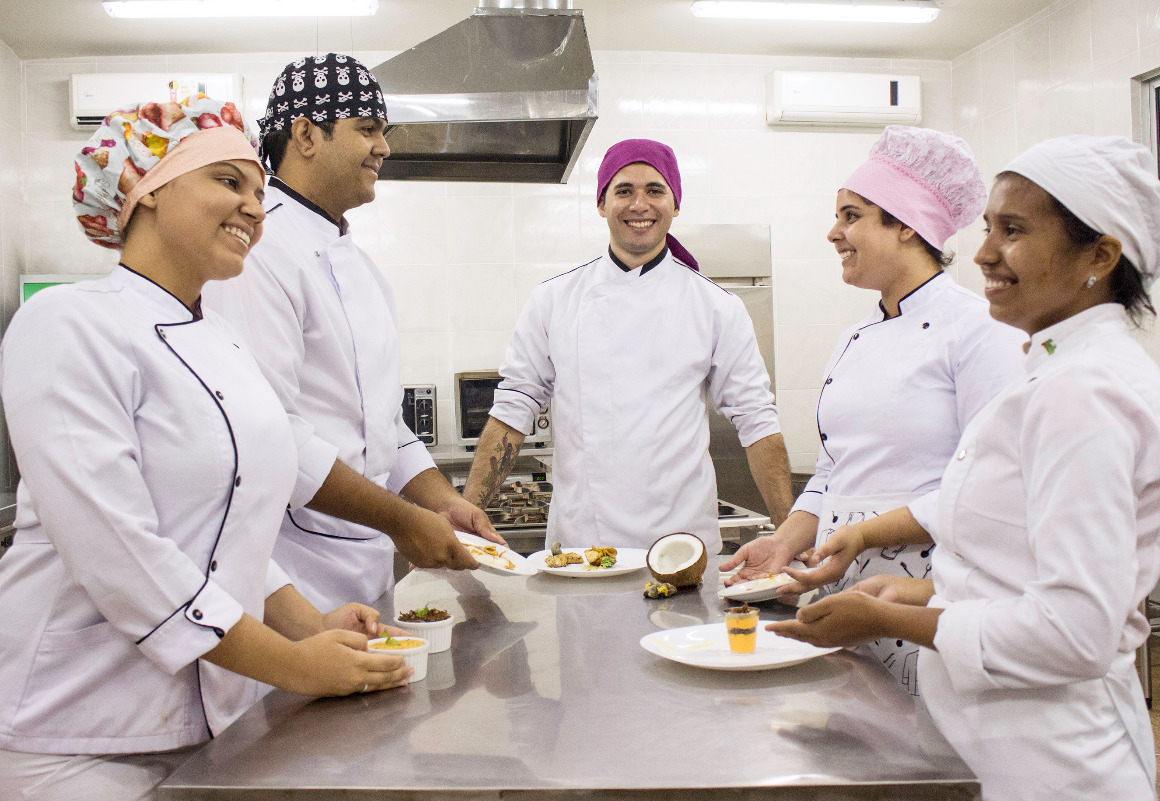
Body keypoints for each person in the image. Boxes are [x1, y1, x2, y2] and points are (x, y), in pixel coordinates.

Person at [0, 97, 414, 801]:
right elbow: (121, 551)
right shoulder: (68, 323)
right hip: (75, 730)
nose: (255, 207)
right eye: (228, 182)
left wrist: (311, 623)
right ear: (146, 190)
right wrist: (292, 661)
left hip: (212, 726)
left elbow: (234, 533)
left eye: (258, 189)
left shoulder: (224, 345)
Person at [770, 135, 1160, 801]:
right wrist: (907, 593)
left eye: (1014, 230)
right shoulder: (1054, 368)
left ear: (1101, 255)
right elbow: (1017, 569)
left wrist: (888, 618)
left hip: (1055, 761)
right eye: (989, 227)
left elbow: (1076, 632)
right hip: (1001, 738)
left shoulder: (1087, 389)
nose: (985, 252)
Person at [721, 126, 1025, 695]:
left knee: (927, 748)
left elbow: (990, 484)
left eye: (851, 215)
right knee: (858, 743)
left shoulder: (980, 330)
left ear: (907, 223)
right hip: (845, 590)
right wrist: (787, 540)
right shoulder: (855, 337)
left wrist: (860, 536)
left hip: (929, 591)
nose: (834, 232)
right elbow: (836, 469)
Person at [204, 54, 501, 612]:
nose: (383, 148)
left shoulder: (361, 268)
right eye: (367, 129)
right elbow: (272, 436)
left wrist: (441, 503)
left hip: (363, 564)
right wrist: (400, 518)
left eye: (383, 131)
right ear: (306, 134)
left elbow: (385, 423)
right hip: (288, 570)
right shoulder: (258, 253)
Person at [461, 138, 793, 555]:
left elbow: (758, 421)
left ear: (675, 204)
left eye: (655, 190)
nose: (640, 204)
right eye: (624, 191)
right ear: (602, 204)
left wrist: (787, 533)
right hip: (582, 546)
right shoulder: (554, 301)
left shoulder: (717, 307)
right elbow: (513, 410)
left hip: (683, 546)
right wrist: (469, 515)